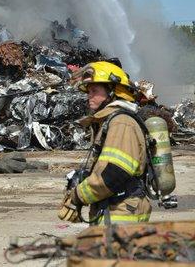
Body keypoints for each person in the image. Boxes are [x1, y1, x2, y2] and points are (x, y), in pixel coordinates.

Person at [59, 61, 151, 225]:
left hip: (122, 214)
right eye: (88, 91)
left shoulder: (121, 123)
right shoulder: (109, 122)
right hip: (112, 211)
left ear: (113, 92)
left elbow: (115, 172)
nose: (89, 95)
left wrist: (78, 196)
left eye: (95, 90)